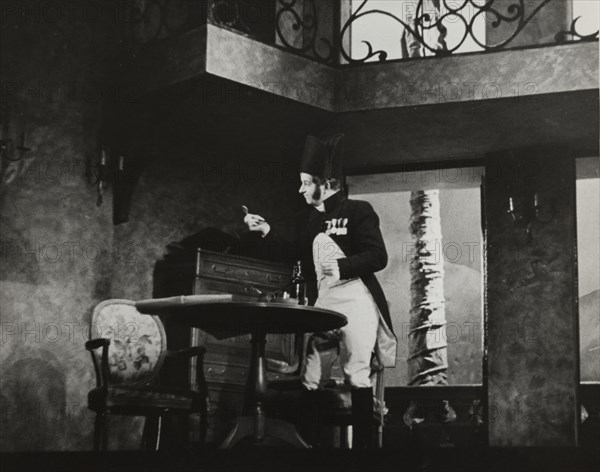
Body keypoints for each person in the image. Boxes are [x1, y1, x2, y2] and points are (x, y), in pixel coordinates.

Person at [244, 134, 396, 448]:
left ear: (324, 184)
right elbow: (294, 254)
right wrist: (266, 232)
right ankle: (308, 450)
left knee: (356, 371)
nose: (300, 189)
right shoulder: (311, 220)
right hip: (325, 303)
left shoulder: (359, 211)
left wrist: (341, 267)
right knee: (311, 372)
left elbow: (378, 256)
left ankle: (365, 456)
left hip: (357, 299)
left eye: (304, 183)